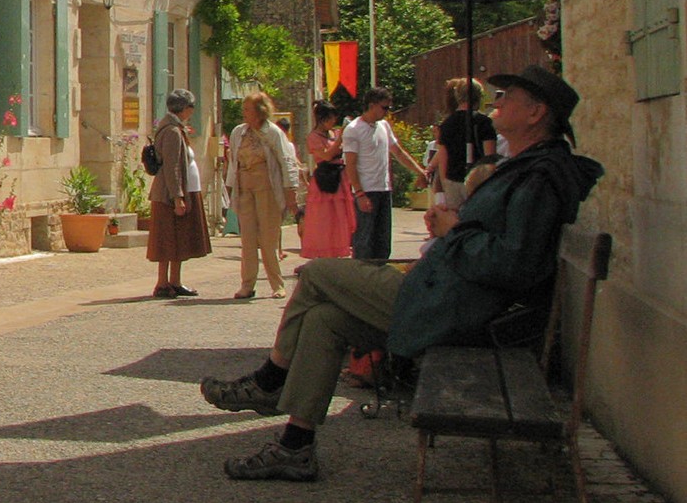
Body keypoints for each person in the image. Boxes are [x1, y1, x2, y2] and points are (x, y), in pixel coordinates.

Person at [200, 65, 602, 481]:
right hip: (450, 294)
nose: (496, 103)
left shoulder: (539, 177)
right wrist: (458, 223)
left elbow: (510, 262)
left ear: (536, 114)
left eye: (507, 96)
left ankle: (270, 380)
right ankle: (294, 447)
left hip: (457, 307)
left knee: (318, 273)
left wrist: (455, 230)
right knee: (324, 320)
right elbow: (503, 243)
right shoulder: (530, 168)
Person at [226, 91, 300, 299]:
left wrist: (290, 190)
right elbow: (233, 162)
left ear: (260, 111)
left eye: (248, 109)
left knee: (269, 238)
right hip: (245, 188)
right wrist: (230, 189)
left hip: (266, 187)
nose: (244, 113)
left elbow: (287, 161)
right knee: (248, 238)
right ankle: (247, 284)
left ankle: (277, 284)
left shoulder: (273, 132)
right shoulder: (238, 132)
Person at [342, 87, 430, 260]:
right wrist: (359, 193)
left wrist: (420, 171)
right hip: (367, 190)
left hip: (384, 189)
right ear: (372, 105)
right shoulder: (353, 129)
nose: (387, 112)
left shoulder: (383, 126)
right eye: (384, 108)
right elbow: (350, 164)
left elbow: (398, 152)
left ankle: (379, 273)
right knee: (365, 239)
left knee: (383, 240)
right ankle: (361, 276)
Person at [147, 88, 211, 298]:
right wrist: (178, 197)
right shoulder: (172, 132)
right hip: (170, 194)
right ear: (185, 108)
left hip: (183, 190)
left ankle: (175, 280)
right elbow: (172, 167)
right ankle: (163, 282)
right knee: (167, 239)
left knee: (179, 238)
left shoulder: (176, 129)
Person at [432, 77, 498, 211]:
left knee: (456, 220)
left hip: (452, 180)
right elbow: (489, 157)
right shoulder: (483, 122)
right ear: (479, 96)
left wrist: (445, 183)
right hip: (477, 181)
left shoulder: (446, 124)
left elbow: (443, 158)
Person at [300, 101, 355, 259]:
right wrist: (339, 140)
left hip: (340, 176)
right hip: (325, 178)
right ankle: (323, 252)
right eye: (329, 118)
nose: (333, 122)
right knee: (324, 218)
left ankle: (339, 249)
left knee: (340, 216)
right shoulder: (313, 137)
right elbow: (326, 155)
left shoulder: (334, 133)